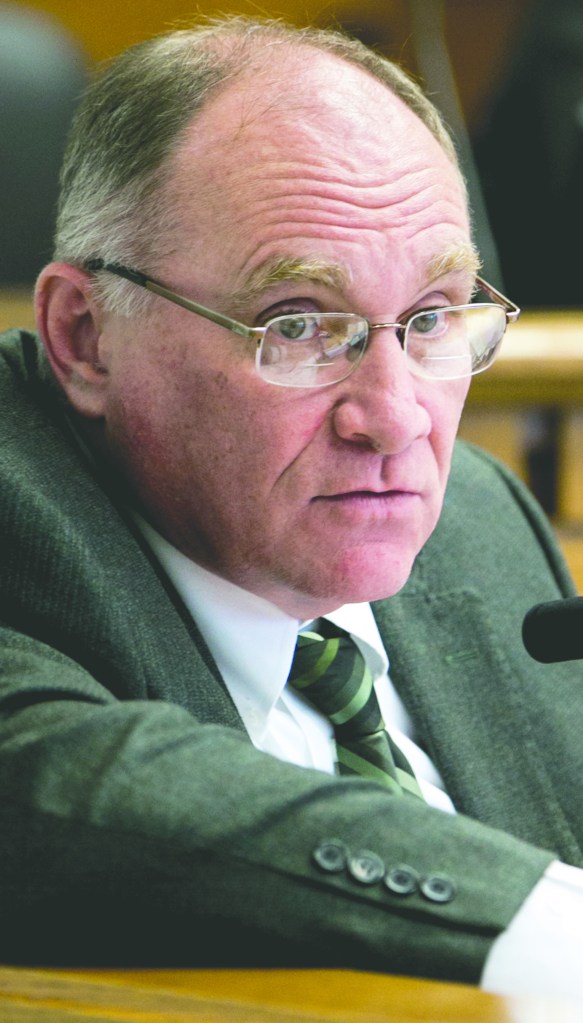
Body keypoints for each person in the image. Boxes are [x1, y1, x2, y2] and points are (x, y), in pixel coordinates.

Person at [1, 15, 583, 998]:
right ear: (85, 336)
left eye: (432, 317)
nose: (395, 419)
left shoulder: (479, 520)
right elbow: (49, 788)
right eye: (300, 325)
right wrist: (548, 926)